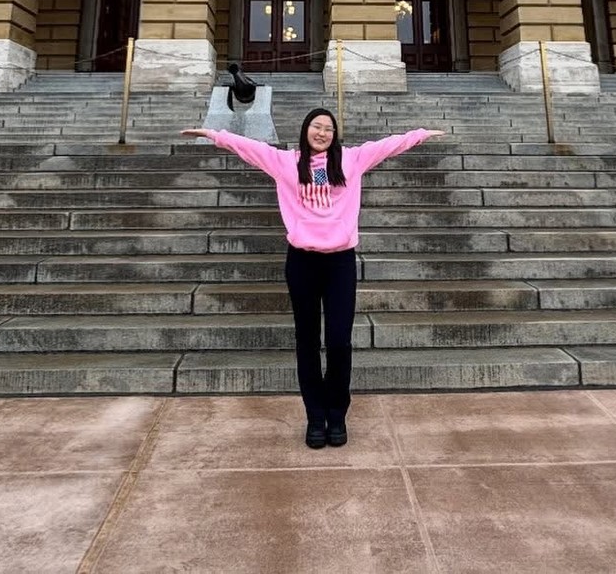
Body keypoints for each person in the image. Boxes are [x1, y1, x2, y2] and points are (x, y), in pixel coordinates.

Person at [180, 108, 445, 448]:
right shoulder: (284, 162)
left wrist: (421, 133)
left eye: (328, 128)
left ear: (335, 135)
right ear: (305, 130)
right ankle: (315, 417)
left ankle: (337, 415)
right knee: (307, 341)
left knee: (338, 341)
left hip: (340, 264)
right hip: (302, 262)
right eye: (316, 127)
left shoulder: (353, 160)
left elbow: (388, 145)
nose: (322, 133)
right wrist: (212, 134)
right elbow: (247, 147)